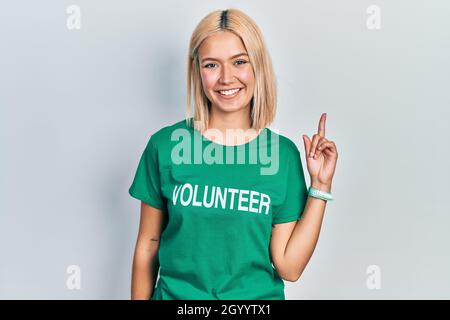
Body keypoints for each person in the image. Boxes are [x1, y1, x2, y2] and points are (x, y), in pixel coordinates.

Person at [128, 8, 338, 300]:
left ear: (258, 67)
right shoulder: (165, 146)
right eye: (212, 65)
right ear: (197, 71)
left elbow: (289, 267)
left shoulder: (282, 156)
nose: (226, 78)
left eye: (239, 62)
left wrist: (320, 186)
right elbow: (148, 244)